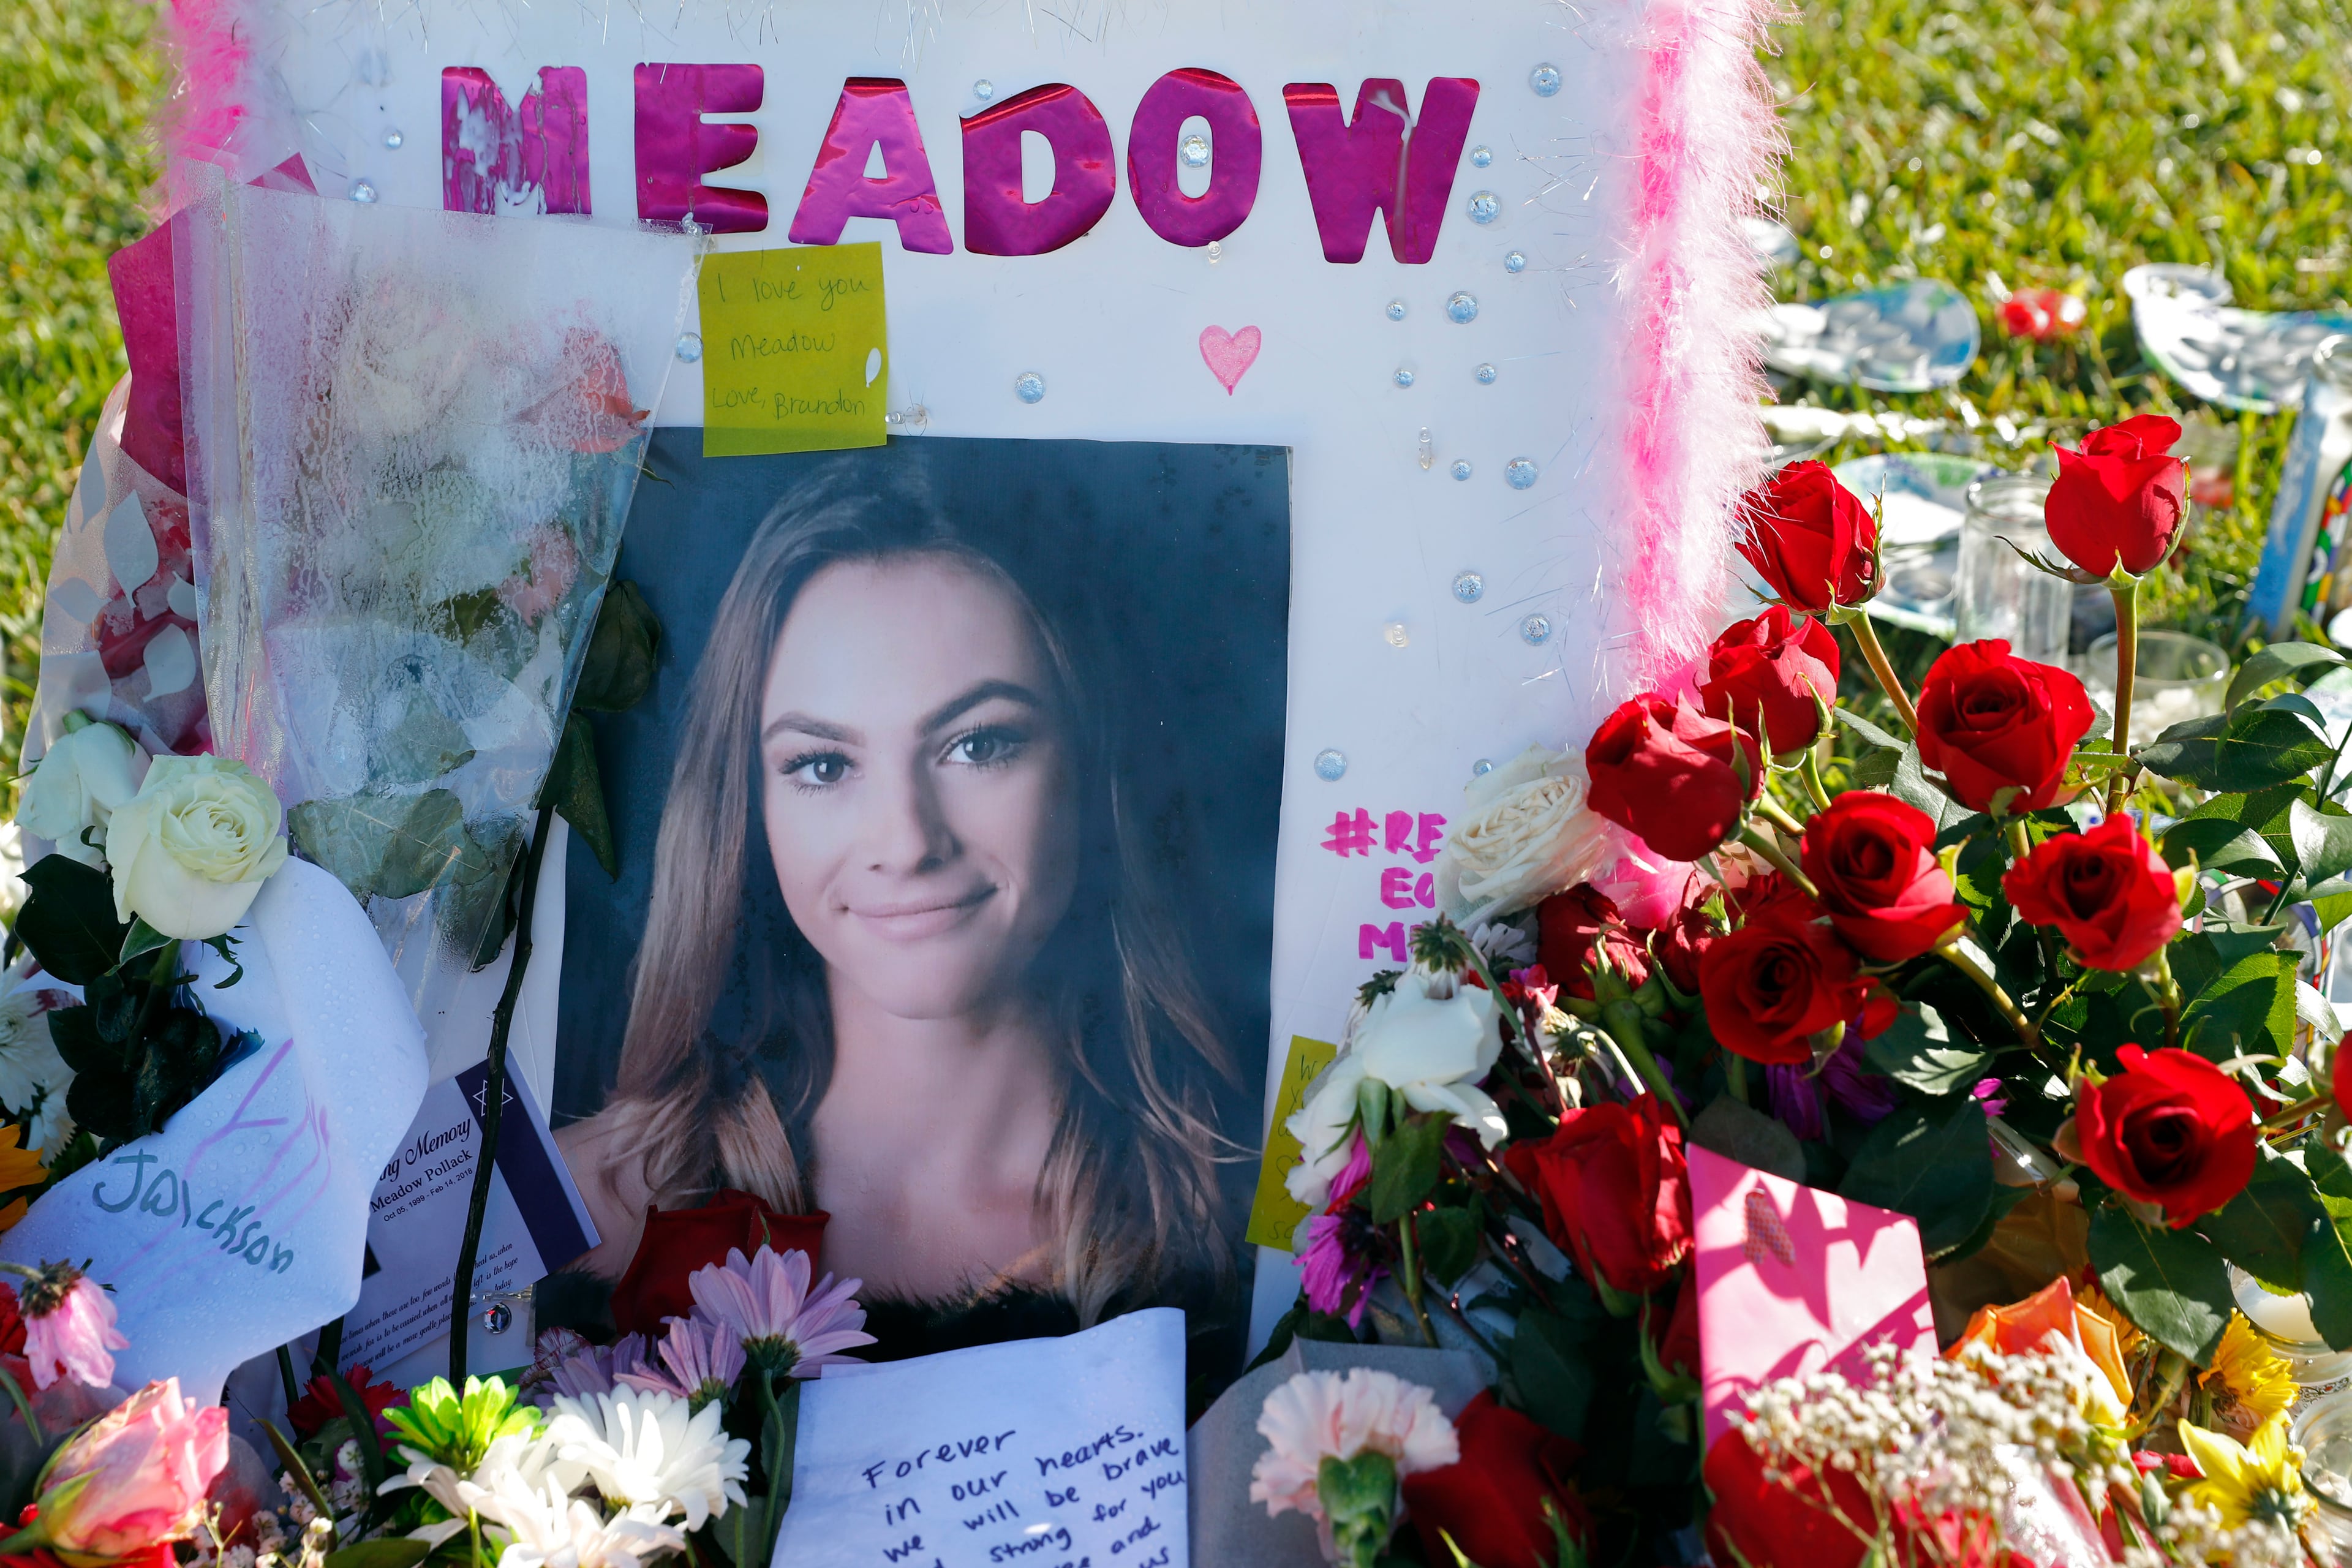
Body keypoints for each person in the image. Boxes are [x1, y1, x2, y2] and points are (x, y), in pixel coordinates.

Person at [556, 461, 1240, 1342]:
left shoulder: (1261, 1215)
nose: (909, 842)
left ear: (1090, 766)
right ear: (748, 807)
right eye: (824, 765)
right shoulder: (568, 1216)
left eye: (979, 744)